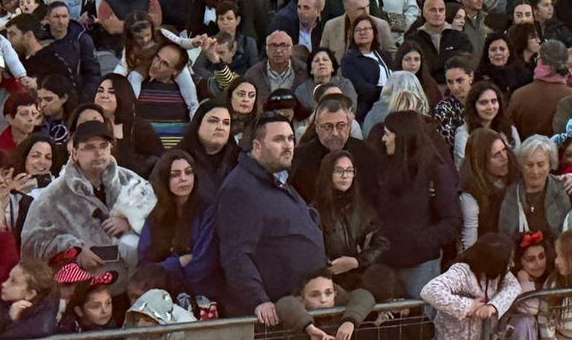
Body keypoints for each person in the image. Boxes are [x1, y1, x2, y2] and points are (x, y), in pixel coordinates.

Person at [215, 114, 327, 322]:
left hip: (301, 306)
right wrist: (259, 299)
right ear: (257, 147)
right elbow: (237, 254)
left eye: (291, 138)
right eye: (279, 140)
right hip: (273, 315)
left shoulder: (277, 179)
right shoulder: (240, 189)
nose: (288, 146)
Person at [22, 120, 157, 283]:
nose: (99, 152)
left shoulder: (131, 182)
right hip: (81, 289)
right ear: (75, 152)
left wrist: (131, 222)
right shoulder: (53, 196)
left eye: (103, 146)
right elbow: (31, 243)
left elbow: (161, 220)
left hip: (133, 282)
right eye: (90, 147)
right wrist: (74, 249)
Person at [374, 110, 461, 297]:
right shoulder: (388, 169)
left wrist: (420, 242)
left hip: (421, 265)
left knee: (423, 321)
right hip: (388, 262)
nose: (383, 139)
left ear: (403, 137)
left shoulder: (435, 172)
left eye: (388, 134)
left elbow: (452, 221)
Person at [138, 152, 221, 302]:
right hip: (162, 295)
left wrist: (165, 268)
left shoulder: (208, 211)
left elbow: (203, 264)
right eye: (175, 174)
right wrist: (178, 262)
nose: (184, 178)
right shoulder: (156, 215)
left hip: (202, 295)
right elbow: (146, 267)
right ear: (164, 179)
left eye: (188, 172)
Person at [313, 148, 389, 290]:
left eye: (349, 170)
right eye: (339, 171)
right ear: (328, 173)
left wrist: (356, 261)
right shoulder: (314, 211)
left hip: (361, 280)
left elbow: (382, 244)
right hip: (328, 283)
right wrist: (330, 266)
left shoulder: (365, 209)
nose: (345, 176)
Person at [500, 134, 572, 244]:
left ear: (550, 165)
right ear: (521, 165)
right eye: (529, 165)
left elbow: (569, 235)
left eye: (540, 165)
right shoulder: (511, 193)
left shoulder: (562, 189)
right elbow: (505, 237)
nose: (535, 172)